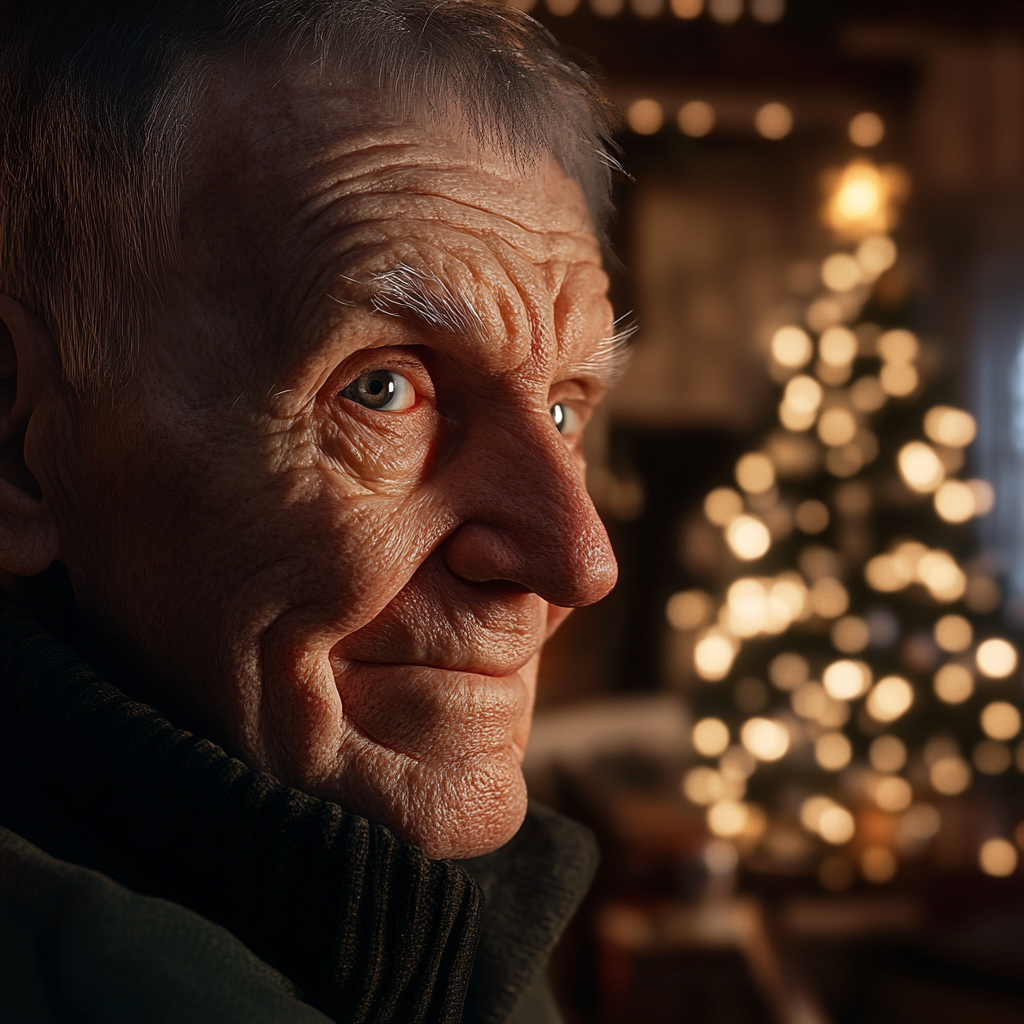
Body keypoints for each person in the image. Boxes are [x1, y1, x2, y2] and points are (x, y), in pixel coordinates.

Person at [0, 1, 628, 1021]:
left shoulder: (432, 942)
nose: (576, 559)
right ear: (20, 449)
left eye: (563, 407)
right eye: (380, 388)